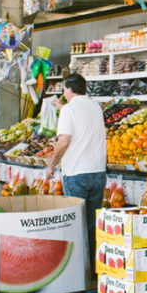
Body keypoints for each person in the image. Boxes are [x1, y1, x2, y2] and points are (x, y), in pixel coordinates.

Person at [46, 73, 106, 261]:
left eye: (64, 89)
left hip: (76, 174)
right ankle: (93, 267)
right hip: (97, 173)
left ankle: (78, 268)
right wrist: (62, 108)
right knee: (91, 223)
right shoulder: (95, 106)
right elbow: (81, 118)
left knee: (75, 223)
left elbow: (63, 141)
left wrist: (51, 166)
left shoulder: (69, 110)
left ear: (69, 89)